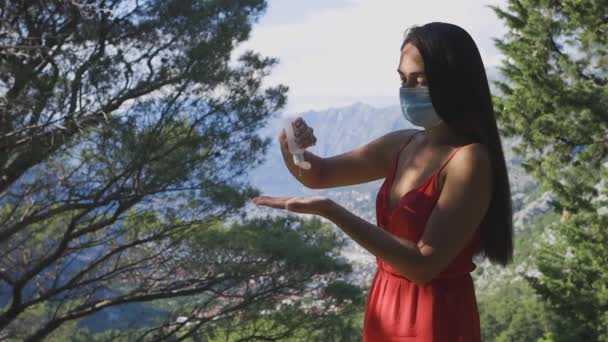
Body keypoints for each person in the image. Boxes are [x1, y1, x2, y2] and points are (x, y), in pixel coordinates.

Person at [253, 22, 513, 341]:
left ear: (453, 82)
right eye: (403, 79)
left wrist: (331, 211)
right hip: (385, 304)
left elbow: (423, 265)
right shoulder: (402, 144)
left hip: (434, 317)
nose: (408, 90)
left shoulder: (470, 160)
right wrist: (292, 146)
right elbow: (319, 174)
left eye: (421, 80)